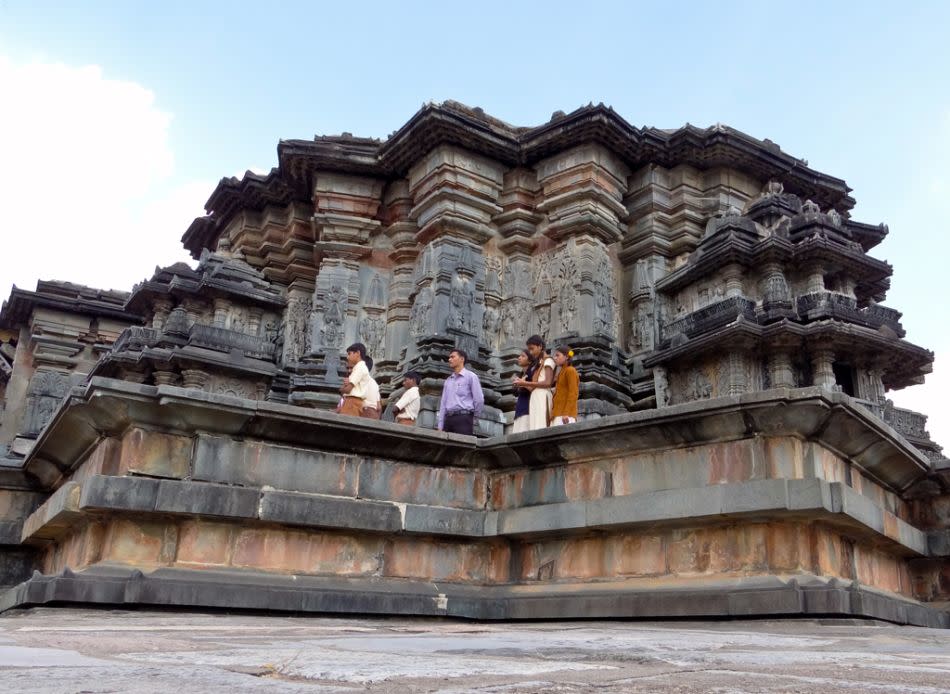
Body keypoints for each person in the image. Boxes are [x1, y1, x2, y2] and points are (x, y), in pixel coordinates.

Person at [437, 349, 484, 435]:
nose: (449, 359)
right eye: (449, 357)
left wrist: (474, 418)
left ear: (462, 359)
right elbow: (443, 404)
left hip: (464, 418)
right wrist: (440, 425)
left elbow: (479, 399)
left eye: (452, 357)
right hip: (448, 420)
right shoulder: (448, 381)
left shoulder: (471, 377)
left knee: (462, 447)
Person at [513, 335, 555, 430]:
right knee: (534, 428)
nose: (531, 352)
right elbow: (533, 386)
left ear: (540, 346)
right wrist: (523, 383)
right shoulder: (538, 363)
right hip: (535, 397)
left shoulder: (548, 360)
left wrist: (525, 383)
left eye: (532, 349)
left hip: (542, 396)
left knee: (541, 427)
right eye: (529, 350)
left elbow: (547, 383)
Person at [551, 345, 579, 426]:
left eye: (557, 355)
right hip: (558, 415)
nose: (555, 358)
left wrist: (566, 413)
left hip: (566, 416)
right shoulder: (562, 372)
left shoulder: (570, 370)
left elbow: (573, 393)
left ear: (566, 357)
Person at [339, 343, 370, 417]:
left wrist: (341, 389)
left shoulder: (360, 367)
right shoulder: (358, 367)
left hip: (352, 403)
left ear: (358, 353)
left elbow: (347, 390)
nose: (347, 357)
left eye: (349, 354)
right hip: (351, 402)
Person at [511, 349, 535, 434]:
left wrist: (523, 383)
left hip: (528, 409)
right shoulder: (522, 374)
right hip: (520, 409)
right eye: (519, 356)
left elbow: (535, 390)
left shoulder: (532, 373)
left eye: (523, 356)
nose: (519, 358)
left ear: (529, 360)